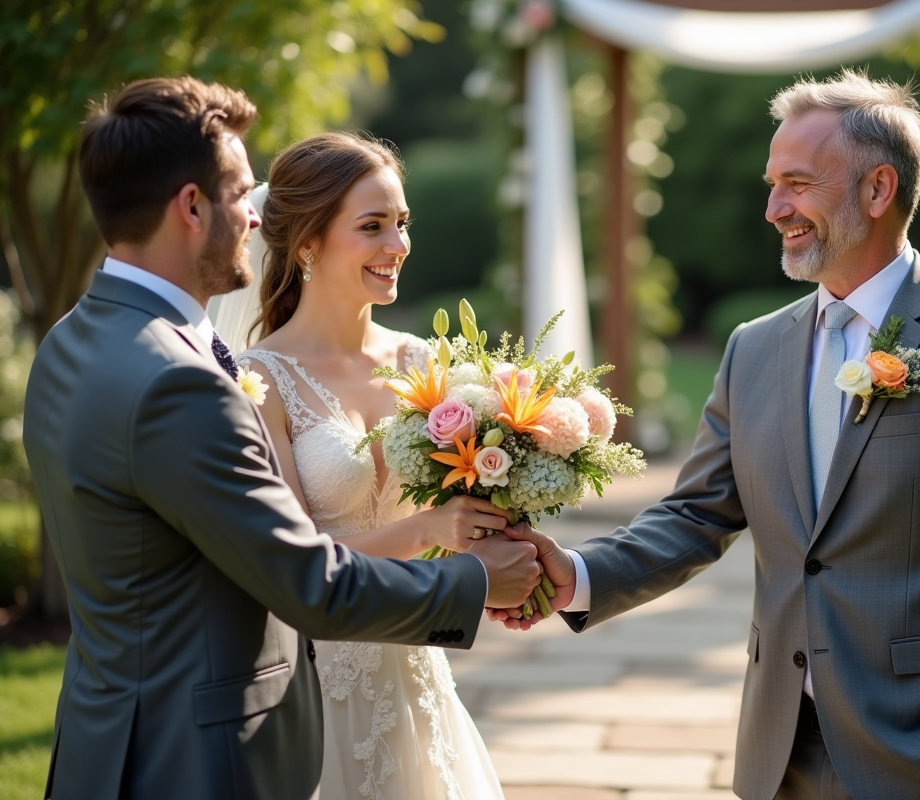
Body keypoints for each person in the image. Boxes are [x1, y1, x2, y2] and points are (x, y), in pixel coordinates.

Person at [500, 70, 920, 800]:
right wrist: (578, 574)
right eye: (772, 183)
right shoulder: (752, 349)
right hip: (778, 749)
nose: (774, 207)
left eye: (798, 184)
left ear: (878, 191)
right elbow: (697, 515)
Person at [23, 77, 541, 800]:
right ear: (192, 207)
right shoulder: (182, 382)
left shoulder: (70, 343)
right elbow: (308, 582)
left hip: (106, 740)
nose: (255, 216)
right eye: (240, 195)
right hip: (197, 758)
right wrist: (478, 578)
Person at [222, 131, 506, 800]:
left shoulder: (423, 364)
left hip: (418, 669)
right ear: (308, 244)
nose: (398, 246)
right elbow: (291, 563)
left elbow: (470, 495)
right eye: (373, 226)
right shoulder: (258, 382)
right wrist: (429, 530)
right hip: (321, 687)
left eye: (402, 223)